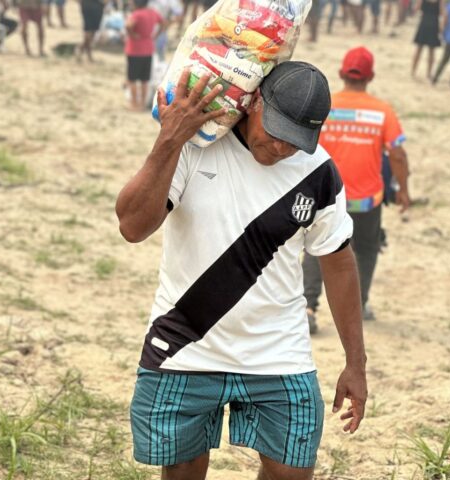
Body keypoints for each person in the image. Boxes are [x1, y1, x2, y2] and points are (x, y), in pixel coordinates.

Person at [118, 62, 368, 478]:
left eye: (296, 142)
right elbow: (132, 226)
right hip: (185, 348)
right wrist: (169, 139)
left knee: (291, 472)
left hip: (278, 352)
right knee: (181, 473)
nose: (282, 150)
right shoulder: (193, 147)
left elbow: (339, 263)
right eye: (276, 134)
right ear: (254, 102)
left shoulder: (318, 171)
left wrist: (355, 363)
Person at [304, 46, 410, 332]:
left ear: (341, 73)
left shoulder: (327, 106)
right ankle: (359, 304)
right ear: (370, 76)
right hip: (366, 200)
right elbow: (397, 154)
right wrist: (403, 191)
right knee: (365, 250)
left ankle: (309, 307)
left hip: (327, 195)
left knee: (317, 249)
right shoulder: (382, 111)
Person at [125, 0, 164, 110]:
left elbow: (128, 25)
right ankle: (142, 103)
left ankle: (134, 103)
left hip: (134, 49)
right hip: (148, 48)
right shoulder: (152, 12)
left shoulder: (136, 14)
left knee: (132, 78)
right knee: (144, 79)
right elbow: (163, 23)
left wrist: (132, 34)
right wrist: (155, 35)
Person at [412, 0, 443, 78]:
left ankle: (413, 71)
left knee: (419, 49)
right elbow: (442, 12)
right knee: (431, 51)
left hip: (424, 22)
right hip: (434, 24)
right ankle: (428, 73)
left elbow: (416, 9)